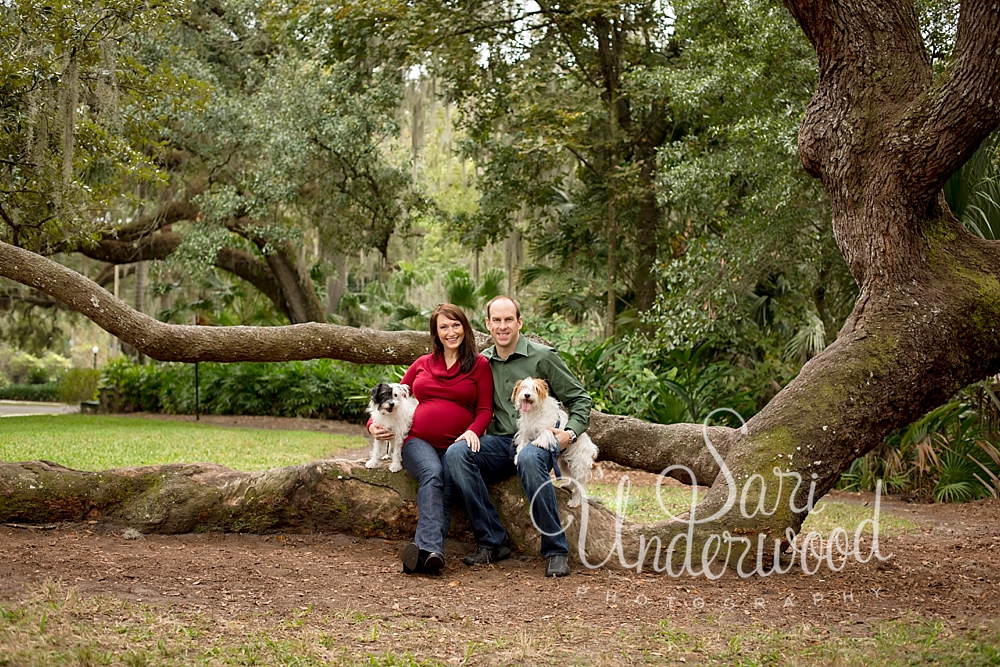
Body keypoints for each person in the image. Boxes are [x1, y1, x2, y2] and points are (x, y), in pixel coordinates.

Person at [445, 296, 592, 577]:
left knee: (527, 457)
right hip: (501, 443)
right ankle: (492, 542)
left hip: (540, 439)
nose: (502, 326)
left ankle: (556, 549)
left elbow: (580, 398)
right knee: (457, 454)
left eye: (508, 319)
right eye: (496, 320)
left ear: (519, 322)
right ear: (487, 324)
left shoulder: (542, 356)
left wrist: (570, 434)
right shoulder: (482, 362)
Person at [368, 304, 493, 574]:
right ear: (436, 333)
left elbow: (484, 410)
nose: (451, 332)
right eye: (443, 327)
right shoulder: (423, 363)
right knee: (432, 474)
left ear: (465, 328)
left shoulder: (479, 365)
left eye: (456, 325)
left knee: (446, 486)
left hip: (456, 445)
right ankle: (429, 549)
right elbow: (390, 397)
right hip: (416, 441)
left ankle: (427, 554)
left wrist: (473, 431)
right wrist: (371, 425)